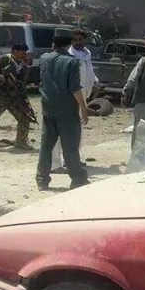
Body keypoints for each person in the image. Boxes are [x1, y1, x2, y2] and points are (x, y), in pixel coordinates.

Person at [36, 34, 90, 191]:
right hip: (67, 110)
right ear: (69, 45)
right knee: (70, 146)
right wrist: (84, 107)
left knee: (46, 146)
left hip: (48, 107)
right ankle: (78, 179)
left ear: (54, 44)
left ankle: (42, 180)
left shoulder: (44, 58)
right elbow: (74, 87)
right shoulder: (72, 61)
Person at [51, 29, 98, 173]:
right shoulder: (68, 56)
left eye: (80, 39)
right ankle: (55, 163)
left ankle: (72, 159)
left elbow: (89, 73)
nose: (78, 42)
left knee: (78, 129)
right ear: (70, 41)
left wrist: (95, 82)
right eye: (75, 40)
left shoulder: (86, 55)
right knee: (61, 130)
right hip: (68, 97)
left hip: (82, 96)